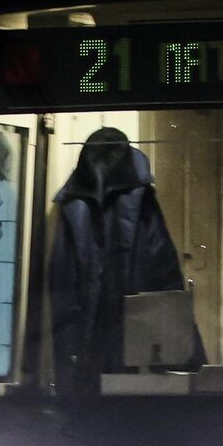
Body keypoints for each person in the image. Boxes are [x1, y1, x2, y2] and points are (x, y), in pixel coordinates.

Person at [48, 127, 205, 395]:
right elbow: (165, 276)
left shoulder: (75, 203)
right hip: (131, 340)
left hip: (112, 339)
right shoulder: (135, 197)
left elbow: (63, 286)